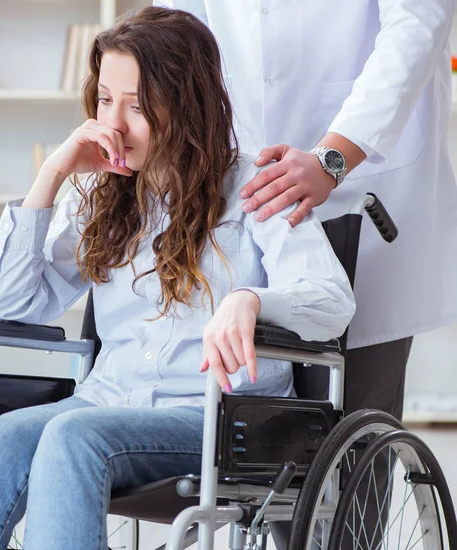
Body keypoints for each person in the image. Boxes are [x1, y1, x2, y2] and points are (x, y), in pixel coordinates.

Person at [0, 7, 355, 550]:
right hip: (106, 402)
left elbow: (331, 301)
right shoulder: (103, 194)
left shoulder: (254, 187)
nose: (113, 124)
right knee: (5, 436)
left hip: (214, 419)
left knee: (73, 436)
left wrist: (250, 299)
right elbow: (10, 303)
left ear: (186, 106)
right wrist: (52, 175)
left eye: (137, 106)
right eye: (103, 100)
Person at [154, 0, 457, 547]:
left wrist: (330, 159)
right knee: (260, 447)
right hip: (248, 200)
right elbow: (173, 36)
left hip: (366, 189)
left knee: (349, 449)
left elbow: (417, 25)